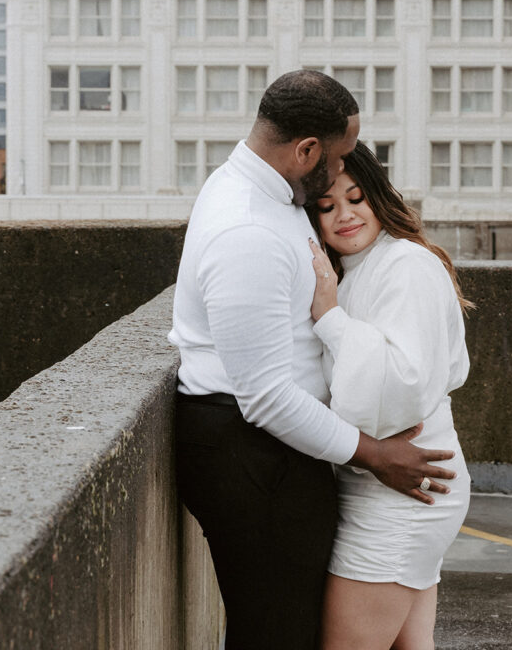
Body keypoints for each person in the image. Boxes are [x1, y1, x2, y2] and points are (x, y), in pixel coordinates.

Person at [168, 70, 457, 650]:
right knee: (276, 633)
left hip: (273, 449)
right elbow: (266, 397)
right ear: (306, 151)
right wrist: (376, 454)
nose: (349, 167)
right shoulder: (247, 229)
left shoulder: (263, 194)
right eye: (341, 155)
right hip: (251, 452)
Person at [306, 141, 472, 650]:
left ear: (379, 195)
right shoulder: (361, 271)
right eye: (328, 207)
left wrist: (331, 320)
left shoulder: (405, 266)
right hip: (400, 486)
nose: (345, 216)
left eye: (357, 198)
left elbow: (401, 383)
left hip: (403, 492)